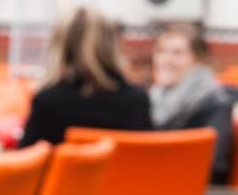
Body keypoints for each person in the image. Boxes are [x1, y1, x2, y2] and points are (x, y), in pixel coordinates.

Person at [18, 8, 151, 149]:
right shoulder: (139, 101)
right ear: (111, 46)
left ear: (62, 47)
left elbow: (26, 162)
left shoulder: (48, 102)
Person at [148, 21, 234, 184]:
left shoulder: (214, 103)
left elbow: (214, 167)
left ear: (198, 60)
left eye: (177, 53)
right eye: (161, 52)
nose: (166, 60)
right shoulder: (154, 98)